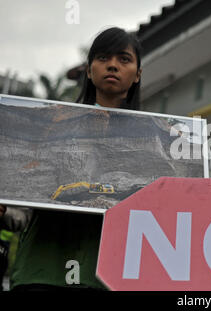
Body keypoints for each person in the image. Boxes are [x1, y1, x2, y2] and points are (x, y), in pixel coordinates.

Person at [4, 27, 142, 291]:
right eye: (103, 58)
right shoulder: (49, 125)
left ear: (137, 74)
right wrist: (6, 208)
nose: (112, 65)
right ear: (89, 70)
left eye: (124, 59)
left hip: (111, 279)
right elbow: (21, 209)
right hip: (41, 272)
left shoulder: (160, 139)